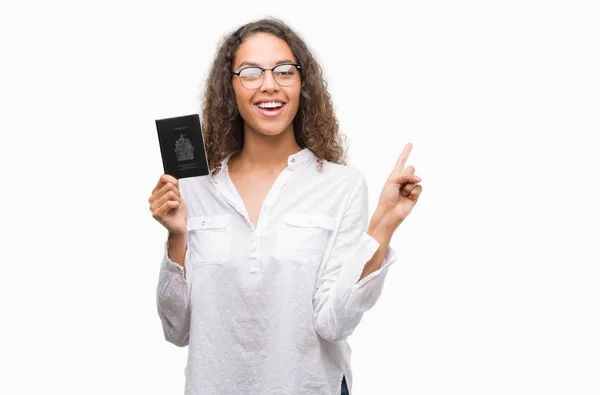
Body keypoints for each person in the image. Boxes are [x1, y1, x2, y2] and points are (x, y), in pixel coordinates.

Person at [148, 17, 423, 395]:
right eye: (250, 72)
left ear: (301, 83)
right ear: (229, 88)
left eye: (283, 70)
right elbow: (176, 330)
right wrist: (177, 237)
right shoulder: (194, 189)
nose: (269, 84)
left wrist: (383, 225)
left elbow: (334, 324)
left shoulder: (341, 186)